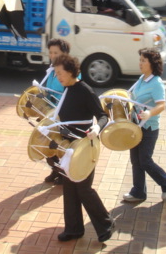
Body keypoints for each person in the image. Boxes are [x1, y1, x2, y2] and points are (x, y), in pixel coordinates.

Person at [51, 54, 114, 243]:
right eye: (56, 73)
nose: (58, 77)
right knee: (70, 188)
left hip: (85, 147)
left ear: (71, 72)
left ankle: (106, 223)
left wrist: (97, 127)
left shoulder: (84, 90)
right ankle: (74, 229)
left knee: (84, 188)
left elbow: (103, 115)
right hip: (69, 147)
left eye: (60, 73)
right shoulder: (67, 90)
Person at [122, 49, 166, 202]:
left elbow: (161, 105)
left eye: (144, 60)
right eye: (140, 60)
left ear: (152, 63)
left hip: (149, 127)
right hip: (136, 125)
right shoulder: (141, 79)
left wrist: (149, 114)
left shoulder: (156, 82)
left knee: (144, 160)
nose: (140, 63)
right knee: (135, 160)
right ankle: (138, 192)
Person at [38, 38, 73, 185]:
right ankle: (55, 170)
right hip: (50, 112)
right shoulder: (51, 70)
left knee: (60, 146)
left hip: (64, 114)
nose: (52, 55)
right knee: (47, 143)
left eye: (56, 53)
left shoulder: (70, 70)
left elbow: (70, 93)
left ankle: (63, 173)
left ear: (64, 54)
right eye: (51, 52)